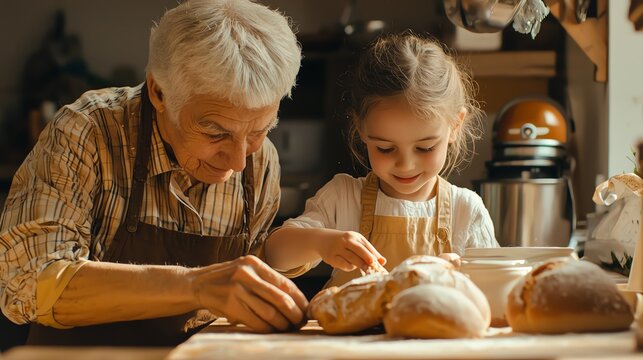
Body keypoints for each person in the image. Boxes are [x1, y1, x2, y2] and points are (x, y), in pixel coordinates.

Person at [0, 0, 307, 349]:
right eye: (214, 133)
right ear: (159, 92)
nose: (238, 160)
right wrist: (196, 285)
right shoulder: (87, 131)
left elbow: (250, 273)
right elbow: (27, 284)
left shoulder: (259, 160)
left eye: (259, 130)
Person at [265, 32, 499, 288]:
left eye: (425, 147)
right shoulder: (343, 198)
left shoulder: (465, 210)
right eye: (386, 148)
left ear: (455, 126)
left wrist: (462, 274)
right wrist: (321, 242)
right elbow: (275, 255)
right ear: (361, 129)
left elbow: (495, 290)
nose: (406, 164)